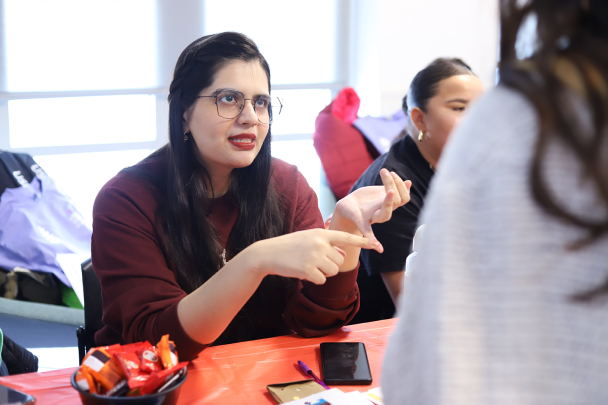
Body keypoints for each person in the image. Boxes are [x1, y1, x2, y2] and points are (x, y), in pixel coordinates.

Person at [91, 32, 411, 361]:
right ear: (184, 112)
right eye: (228, 99)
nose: (251, 118)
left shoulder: (288, 184)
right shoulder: (125, 200)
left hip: (260, 378)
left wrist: (343, 228)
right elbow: (164, 346)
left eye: (261, 103)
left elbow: (316, 323)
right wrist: (254, 261)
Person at [382, 0, 608, 403]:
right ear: (418, 119)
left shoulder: (497, 136)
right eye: (458, 108)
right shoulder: (397, 180)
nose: (472, 118)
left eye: (477, 106)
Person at [349, 59, 484, 324]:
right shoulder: (393, 184)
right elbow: (410, 303)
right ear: (419, 118)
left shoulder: (457, 166)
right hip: (382, 330)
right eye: (460, 108)